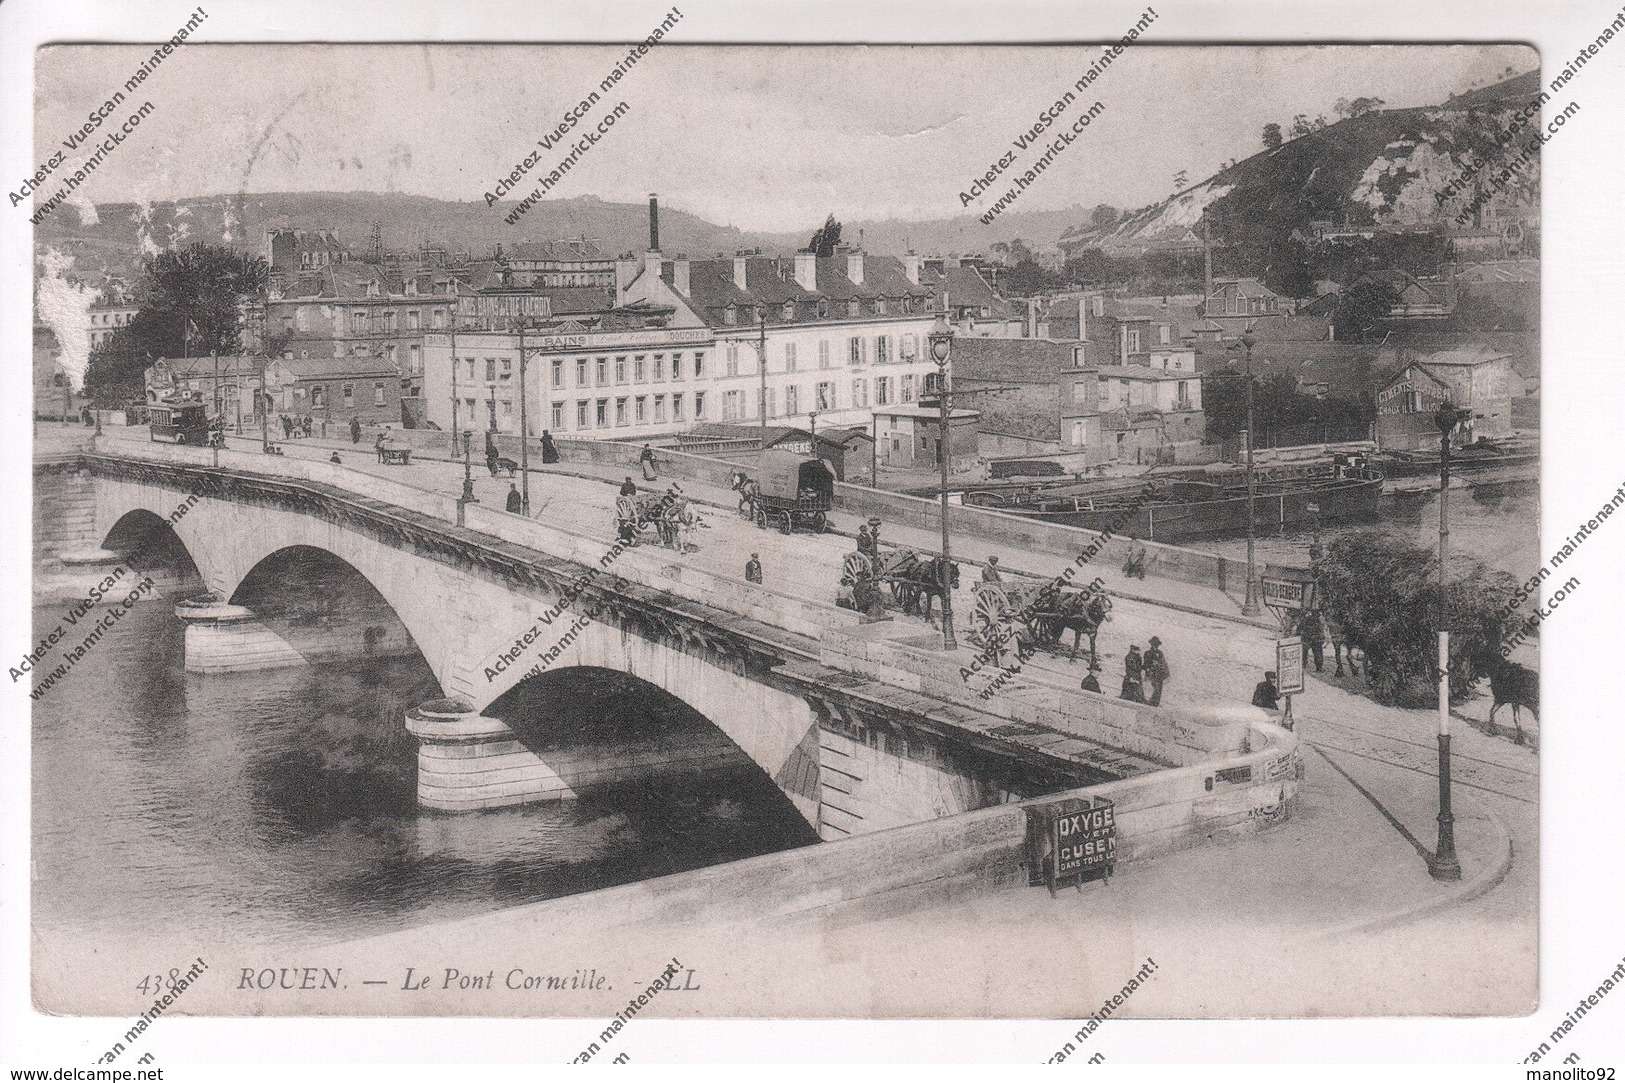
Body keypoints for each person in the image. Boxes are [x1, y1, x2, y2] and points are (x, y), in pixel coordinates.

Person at [1144, 636, 1170, 706]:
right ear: (1152, 644)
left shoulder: (1160, 653)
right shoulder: (1148, 653)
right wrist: (1149, 669)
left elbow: (1163, 663)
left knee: (1159, 688)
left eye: (1157, 644)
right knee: (1154, 687)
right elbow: (1146, 663)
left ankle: (1155, 702)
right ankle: (1151, 701)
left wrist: (1166, 673)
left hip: (1159, 674)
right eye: (1155, 644)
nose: (1156, 645)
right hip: (1152, 673)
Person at [1298, 608, 1326, 673]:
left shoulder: (1307, 619)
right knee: (1318, 653)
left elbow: (1300, 627)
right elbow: (1321, 631)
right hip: (1315, 639)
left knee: (1304, 652)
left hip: (1307, 638)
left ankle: (1303, 665)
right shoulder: (1319, 621)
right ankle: (1319, 668)